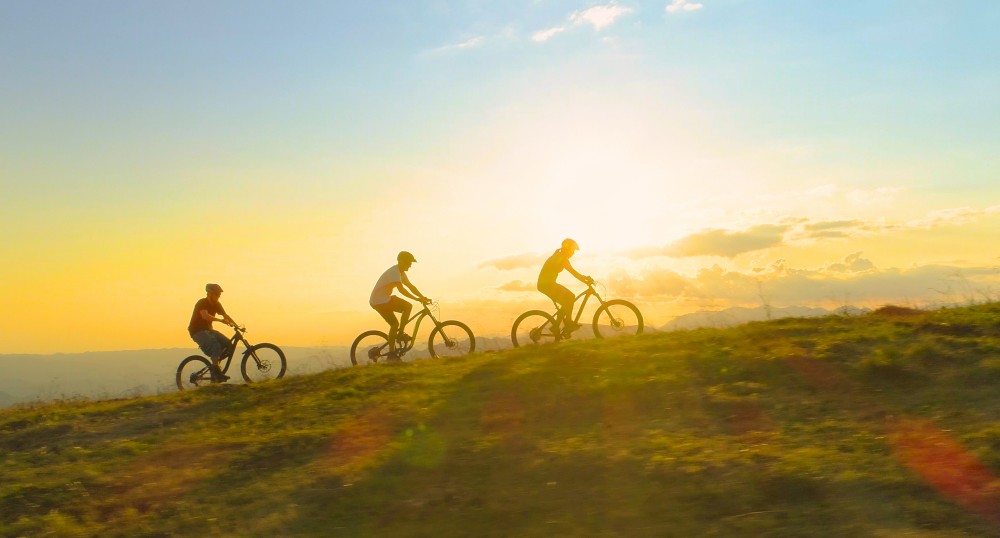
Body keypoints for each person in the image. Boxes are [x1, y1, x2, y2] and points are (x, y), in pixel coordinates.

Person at [369, 251, 431, 361]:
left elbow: (411, 286)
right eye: (409, 263)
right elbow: (401, 290)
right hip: (378, 301)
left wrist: (422, 297)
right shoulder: (395, 272)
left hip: (385, 299)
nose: (410, 265)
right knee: (394, 324)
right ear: (402, 262)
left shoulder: (401, 272)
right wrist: (416, 299)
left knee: (407, 307)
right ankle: (391, 354)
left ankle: (400, 334)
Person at [537, 238, 593, 336]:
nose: (574, 253)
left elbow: (574, 272)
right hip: (546, 284)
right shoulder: (561, 257)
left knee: (567, 301)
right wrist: (585, 280)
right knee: (570, 297)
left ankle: (556, 326)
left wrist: (584, 278)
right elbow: (573, 272)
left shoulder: (560, 255)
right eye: (573, 250)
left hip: (546, 284)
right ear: (568, 249)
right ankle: (568, 324)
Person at [188, 283, 237, 381]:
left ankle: (215, 367)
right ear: (210, 294)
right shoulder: (202, 302)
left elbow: (225, 316)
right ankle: (216, 373)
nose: (219, 296)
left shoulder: (217, 304)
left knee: (228, 345)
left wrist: (236, 326)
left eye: (219, 295)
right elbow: (205, 316)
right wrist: (220, 320)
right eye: (217, 294)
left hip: (209, 330)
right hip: (197, 331)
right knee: (215, 346)